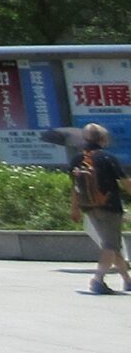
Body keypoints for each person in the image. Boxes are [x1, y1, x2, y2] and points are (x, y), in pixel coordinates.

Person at [69, 122, 129, 294]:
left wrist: (75, 209)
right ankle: (98, 280)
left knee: (111, 244)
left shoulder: (77, 159)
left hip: (89, 207)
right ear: (103, 139)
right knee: (110, 245)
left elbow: (75, 187)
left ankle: (127, 280)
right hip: (110, 207)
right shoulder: (107, 158)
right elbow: (125, 183)